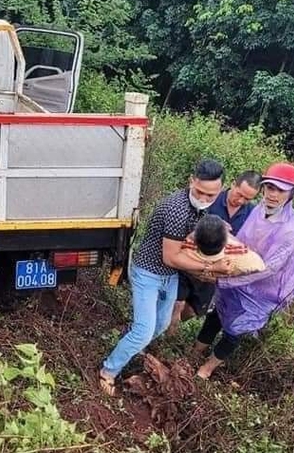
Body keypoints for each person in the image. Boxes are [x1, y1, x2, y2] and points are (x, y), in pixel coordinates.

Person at [99, 159, 233, 396]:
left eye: (210, 195)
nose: (203, 198)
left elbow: (192, 236)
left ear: (220, 190)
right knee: (143, 330)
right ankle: (108, 370)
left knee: (160, 325)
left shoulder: (203, 207)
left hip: (168, 276)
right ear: (191, 181)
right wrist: (210, 266)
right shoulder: (176, 209)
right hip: (148, 273)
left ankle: (131, 343)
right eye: (199, 192)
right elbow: (171, 257)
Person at [194, 162, 294, 379]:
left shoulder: (293, 229)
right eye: (270, 188)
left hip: (265, 290)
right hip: (240, 274)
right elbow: (244, 242)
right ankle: (194, 352)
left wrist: (226, 279)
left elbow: (270, 268)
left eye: (281, 190)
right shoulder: (258, 210)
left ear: (292, 193)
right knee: (216, 315)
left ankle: (207, 368)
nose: (273, 195)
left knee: (235, 329)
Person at [168, 171, 262, 334]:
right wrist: (210, 227)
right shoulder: (211, 198)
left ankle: (169, 329)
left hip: (214, 273)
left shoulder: (251, 214)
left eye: (247, 199)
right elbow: (185, 223)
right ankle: (163, 334)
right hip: (190, 261)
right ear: (234, 184)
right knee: (177, 304)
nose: (241, 201)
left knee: (192, 311)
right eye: (239, 194)